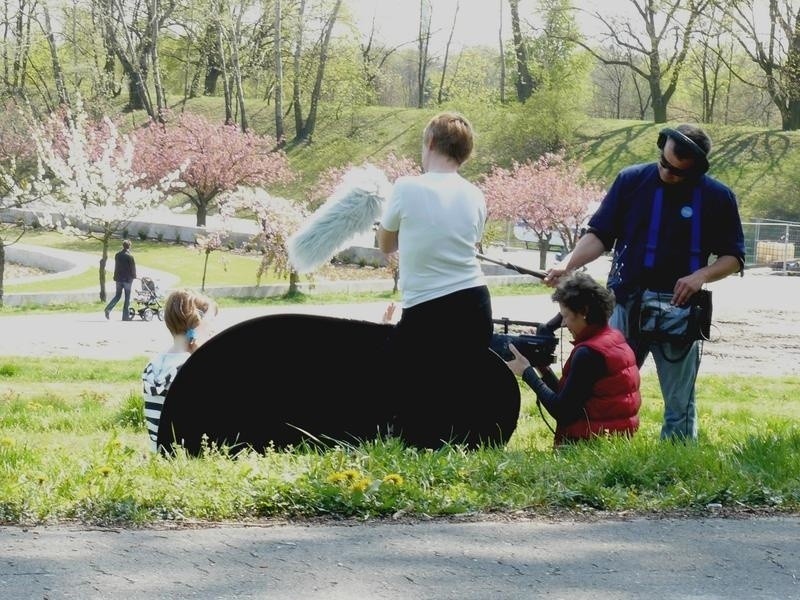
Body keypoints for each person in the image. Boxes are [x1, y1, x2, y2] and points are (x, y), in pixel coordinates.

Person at [544, 124, 746, 441]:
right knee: (605, 385)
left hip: (679, 309)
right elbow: (600, 235)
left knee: (680, 401)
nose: (667, 173)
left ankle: (677, 459)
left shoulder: (718, 197)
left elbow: (733, 257)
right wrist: (568, 264)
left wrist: (700, 276)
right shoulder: (631, 181)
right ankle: (597, 445)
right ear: (661, 147)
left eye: (678, 172)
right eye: (663, 163)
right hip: (625, 301)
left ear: (694, 169)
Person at [376, 111, 492, 446]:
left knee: (407, 390)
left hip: (428, 307)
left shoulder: (406, 186)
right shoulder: (476, 194)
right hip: (475, 302)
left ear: (429, 142)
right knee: (454, 392)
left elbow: (386, 243)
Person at [505, 272, 641, 447]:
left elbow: (563, 411)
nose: (563, 324)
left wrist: (526, 373)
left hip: (588, 447)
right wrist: (542, 369)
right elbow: (573, 396)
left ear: (584, 311)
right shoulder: (613, 339)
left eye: (566, 315)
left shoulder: (589, 353)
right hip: (611, 442)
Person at [142, 289, 219, 453]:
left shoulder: (153, 364)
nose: (213, 328)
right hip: (186, 454)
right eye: (210, 321)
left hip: (158, 451)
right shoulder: (193, 367)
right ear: (196, 321)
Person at [104, 239, 137, 321]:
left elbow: (117, 266)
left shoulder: (117, 255)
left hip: (118, 279)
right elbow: (133, 268)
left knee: (117, 295)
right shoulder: (130, 257)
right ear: (129, 246)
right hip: (127, 280)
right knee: (127, 297)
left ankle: (108, 309)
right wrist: (134, 276)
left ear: (123, 246)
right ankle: (125, 317)